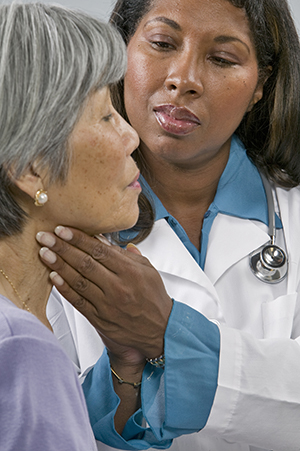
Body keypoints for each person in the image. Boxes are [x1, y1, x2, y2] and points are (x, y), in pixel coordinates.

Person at [37, 0, 300, 450]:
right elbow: (39, 420)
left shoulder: (289, 214)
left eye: (221, 58)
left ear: (262, 83)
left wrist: (165, 333)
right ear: (121, 52)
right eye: (162, 43)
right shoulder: (52, 225)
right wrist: (123, 374)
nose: (184, 79)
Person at [0, 2, 145, 450]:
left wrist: (127, 359)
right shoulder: (21, 351)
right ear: (30, 170)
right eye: (105, 115)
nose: (131, 136)